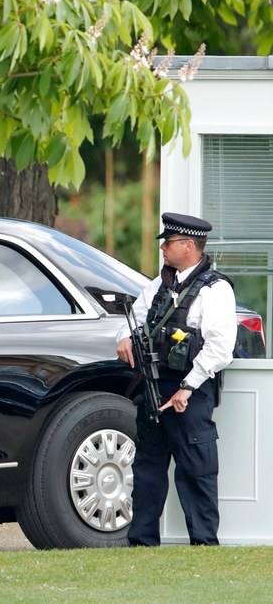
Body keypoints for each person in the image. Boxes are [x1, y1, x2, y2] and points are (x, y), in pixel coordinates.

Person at [116, 212, 237, 546]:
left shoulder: (215, 289)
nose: (163, 249)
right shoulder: (159, 285)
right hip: (155, 387)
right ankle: (141, 542)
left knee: (196, 470)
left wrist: (188, 386)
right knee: (148, 468)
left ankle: (203, 542)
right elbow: (135, 319)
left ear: (188, 245)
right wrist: (124, 338)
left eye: (168, 243)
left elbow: (220, 347)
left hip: (190, 392)